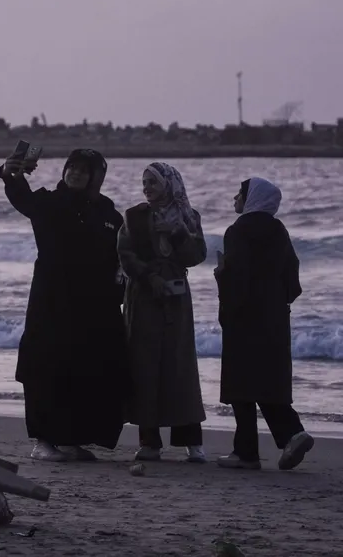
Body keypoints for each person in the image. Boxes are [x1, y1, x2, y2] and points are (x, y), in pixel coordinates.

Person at [0, 147, 129, 462]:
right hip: (51, 299)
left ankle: (71, 439)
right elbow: (22, 198)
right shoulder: (49, 202)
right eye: (71, 167)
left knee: (85, 366)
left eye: (84, 170)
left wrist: (120, 289)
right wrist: (11, 174)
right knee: (45, 365)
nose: (75, 173)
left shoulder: (109, 214)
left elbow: (120, 260)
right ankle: (42, 441)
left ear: (96, 177)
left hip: (94, 304)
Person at [213, 177, 315, 470]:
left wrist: (221, 277)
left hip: (244, 318)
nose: (235, 198)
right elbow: (293, 278)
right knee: (268, 382)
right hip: (274, 318)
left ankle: (247, 452)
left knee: (241, 385)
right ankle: (292, 434)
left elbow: (238, 276)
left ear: (252, 198)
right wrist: (279, 302)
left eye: (240, 193)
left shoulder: (237, 231)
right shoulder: (278, 230)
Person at [117, 162, 208, 463]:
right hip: (143, 296)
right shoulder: (134, 216)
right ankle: (149, 441)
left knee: (179, 366)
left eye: (153, 182)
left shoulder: (188, 216)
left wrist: (178, 233)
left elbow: (197, 255)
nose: (147, 188)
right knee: (144, 365)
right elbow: (125, 254)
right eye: (144, 182)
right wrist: (149, 276)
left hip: (176, 298)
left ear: (169, 184)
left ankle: (191, 441)